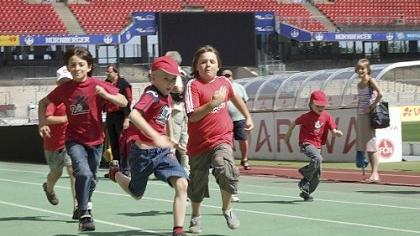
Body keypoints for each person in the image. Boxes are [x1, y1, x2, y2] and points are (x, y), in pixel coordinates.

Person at [38, 46, 128, 232]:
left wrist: (105, 95)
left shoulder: (97, 84)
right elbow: (43, 102)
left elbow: (124, 101)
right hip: (74, 139)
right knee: (83, 173)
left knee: (92, 178)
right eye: (73, 65)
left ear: (89, 67)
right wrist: (42, 123)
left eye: (81, 64)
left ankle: (85, 202)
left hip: (96, 140)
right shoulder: (65, 89)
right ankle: (84, 212)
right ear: (68, 68)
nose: (77, 68)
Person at [108, 56, 189, 236]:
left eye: (173, 78)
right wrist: (154, 136)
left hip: (163, 153)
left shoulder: (167, 97)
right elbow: (135, 115)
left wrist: (171, 139)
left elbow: (165, 118)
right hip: (142, 153)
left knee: (182, 184)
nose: (170, 83)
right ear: (153, 78)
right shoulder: (151, 94)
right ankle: (115, 174)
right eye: (165, 78)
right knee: (137, 193)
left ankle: (178, 229)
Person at [184, 45, 254, 233]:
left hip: (221, 139)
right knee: (197, 183)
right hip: (199, 144)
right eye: (203, 62)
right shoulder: (193, 86)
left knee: (226, 170)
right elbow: (192, 116)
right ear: (196, 66)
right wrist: (213, 103)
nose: (208, 65)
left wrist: (247, 116)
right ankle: (196, 216)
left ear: (218, 65)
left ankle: (227, 209)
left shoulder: (224, 82)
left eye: (212, 61)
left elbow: (235, 97)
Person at [284, 90, 343, 201]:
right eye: (317, 106)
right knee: (317, 158)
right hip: (306, 143)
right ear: (311, 104)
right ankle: (304, 174)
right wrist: (288, 135)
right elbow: (293, 123)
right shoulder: (306, 117)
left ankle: (306, 192)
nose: (320, 108)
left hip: (318, 145)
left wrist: (336, 132)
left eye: (323, 106)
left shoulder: (327, 116)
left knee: (317, 175)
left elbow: (333, 129)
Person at [41, 66, 77, 219]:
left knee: (72, 171)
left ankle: (78, 206)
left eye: (67, 81)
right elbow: (48, 118)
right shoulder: (53, 100)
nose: (65, 84)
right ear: (57, 83)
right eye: (62, 81)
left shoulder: (76, 97)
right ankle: (48, 188)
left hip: (71, 141)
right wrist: (66, 119)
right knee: (56, 173)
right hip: (53, 143)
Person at [223, 69, 250, 203]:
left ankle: (244, 159)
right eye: (225, 75)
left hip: (238, 119)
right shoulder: (218, 88)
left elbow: (244, 102)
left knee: (242, 139)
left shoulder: (239, 88)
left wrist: (248, 117)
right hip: (224, 122)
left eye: (229, 75)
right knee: (226, 152)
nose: (227, 77)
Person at [355, 58, 383, 182]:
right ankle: (373, 173)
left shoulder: (371, 81)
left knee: (371, 145)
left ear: (367, 69)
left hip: (368, 116)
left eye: (362, 68)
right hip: (360, 116)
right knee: (364, 145)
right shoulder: (359, 84)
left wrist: (370, 107)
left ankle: (375, 174)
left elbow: (381, 94)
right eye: (358, 68)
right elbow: (361, 100)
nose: (360, 70)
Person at [104, 64, 132, 177]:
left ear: (116, 73)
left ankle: (126, 169)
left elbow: (128, 101)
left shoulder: (124, 84)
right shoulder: (105, 83)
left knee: (123, 143)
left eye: (109, 72)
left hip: (121, 115)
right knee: (113, 143)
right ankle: (115, 169)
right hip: (110, 116)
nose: (107, 74)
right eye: (107, 72)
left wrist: (126, 118)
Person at [165, 51, 190, 175]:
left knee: (173, 141)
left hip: (176, 109)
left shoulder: (174, 73)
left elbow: (178, 88)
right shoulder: (185, 72)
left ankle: (171, 169)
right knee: (184, 142)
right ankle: (186, 169)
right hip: (185, 109)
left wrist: (167, 87)